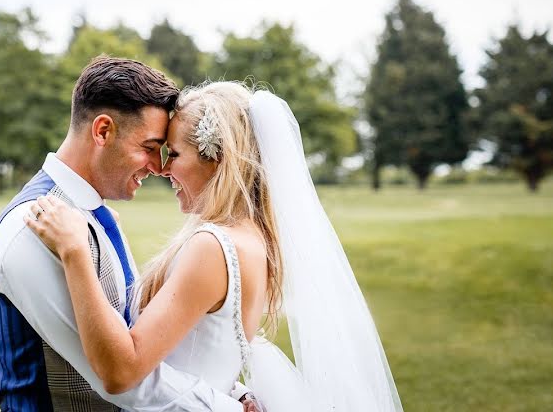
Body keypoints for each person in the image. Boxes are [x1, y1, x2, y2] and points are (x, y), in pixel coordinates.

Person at [27, 82, 405, 411]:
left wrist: (76, 252)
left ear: (217, 160)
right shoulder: (253, 240)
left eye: (172, 154)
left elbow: (123, 371)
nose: (161, 169)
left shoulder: (213, 248)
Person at [0, 57, 249, 411]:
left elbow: (138, 342)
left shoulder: (93, 215)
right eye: (149, 148)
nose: (158, 167)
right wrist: (222, 405)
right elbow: (123, 380)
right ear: (103, 131)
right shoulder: (33, 227)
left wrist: (229, 389)